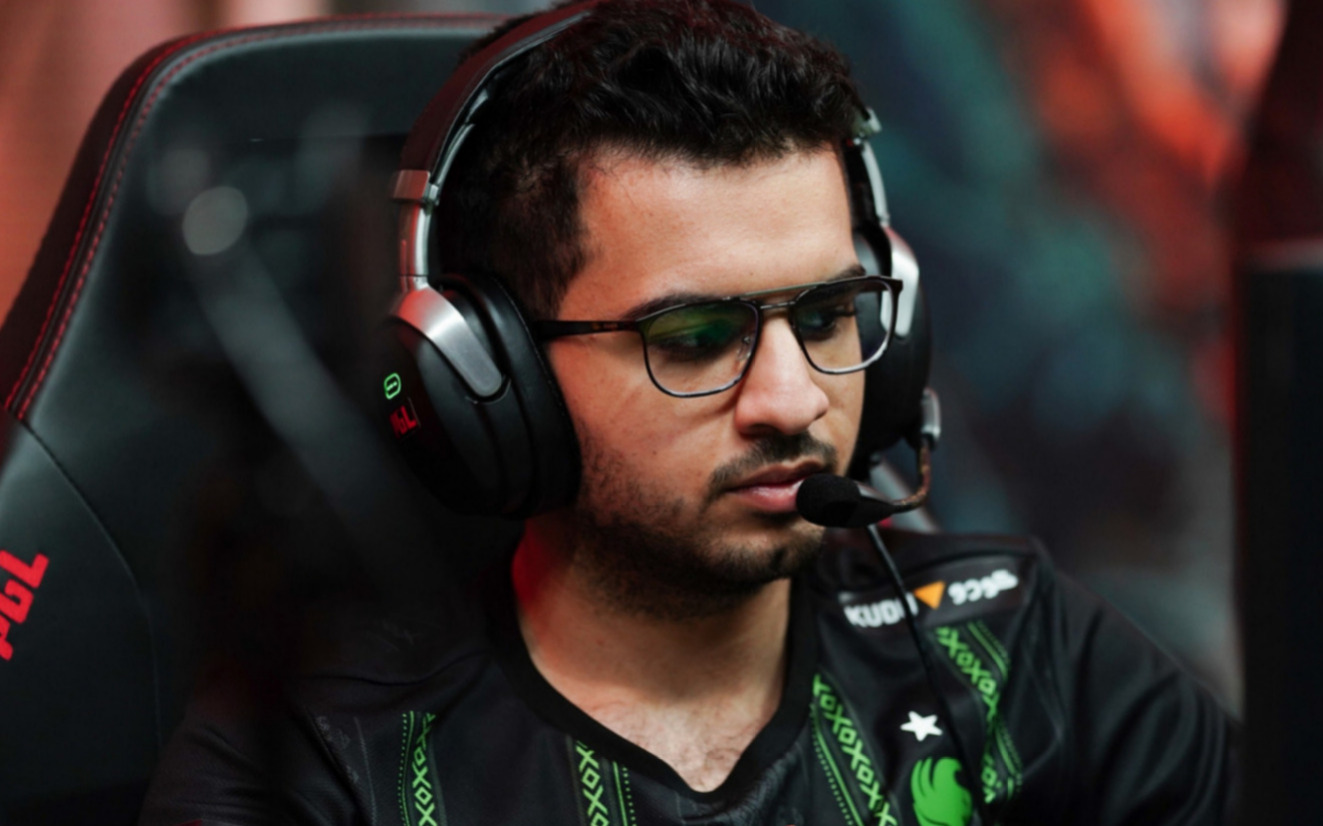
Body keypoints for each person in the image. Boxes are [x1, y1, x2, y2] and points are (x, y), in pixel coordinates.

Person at [140, 1, 1237, 823]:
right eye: (697, 338)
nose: (791, 399)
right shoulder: (326, 761)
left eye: (827, 317)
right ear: (492, 374)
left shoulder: (1021, 655)